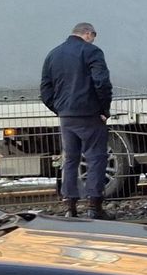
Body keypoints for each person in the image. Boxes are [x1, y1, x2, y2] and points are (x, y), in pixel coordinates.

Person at [40, 22, 114, 219]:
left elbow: (45, 89)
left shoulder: (53, 54)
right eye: (93, 35)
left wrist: (59, 109)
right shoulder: (92, 52)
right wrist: (104, 109)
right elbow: (102, 82)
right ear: (88, 33)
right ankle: (94, 207)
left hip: (66, 117)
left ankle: (70, 208)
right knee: (95, 158)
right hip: (89, 115)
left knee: (70, 160)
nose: (93, 39)